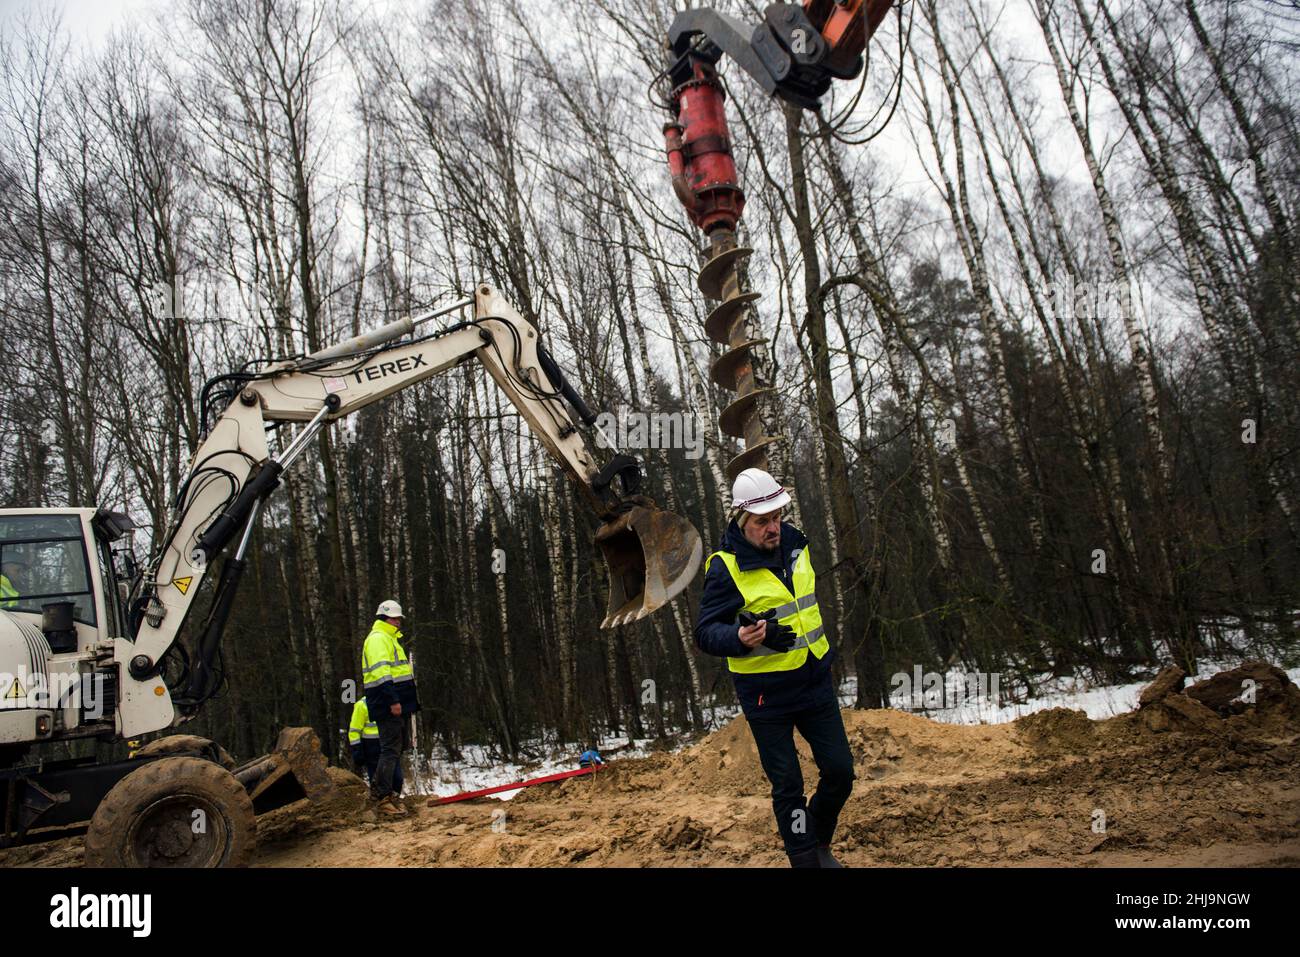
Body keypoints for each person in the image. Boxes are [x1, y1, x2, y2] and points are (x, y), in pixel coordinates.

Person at [694, 467, 856, 868]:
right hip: (766, 696)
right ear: (742, 521)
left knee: (840, 772)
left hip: (815, 681)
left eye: (777, 517)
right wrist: (739, 638)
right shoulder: (725, 567)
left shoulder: (797, 546)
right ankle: (805, 859)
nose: (774, 528)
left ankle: (818, 839)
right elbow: (705, 631)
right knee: (788, 785)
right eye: (763, 521)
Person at [360, 599, 420, 816]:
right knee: (389, 750)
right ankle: (382, 797)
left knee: (395, 749)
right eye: (395, 618)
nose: (398, 622)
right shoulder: (378, 640)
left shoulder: (389, 639)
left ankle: (389, 794)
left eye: (398, 618)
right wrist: (393, 701)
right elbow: (382, 673)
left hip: (396, 703)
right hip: (387, 704)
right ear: (385, 618)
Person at [348, 695, 404, 798]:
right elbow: (354, 731)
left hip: (389, 745)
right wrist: (357, 749)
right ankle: (381, 802)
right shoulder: (362, 705)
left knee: (397, 778)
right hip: (372, 747)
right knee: (376, 778)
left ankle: (394, 798)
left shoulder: (391, 703)